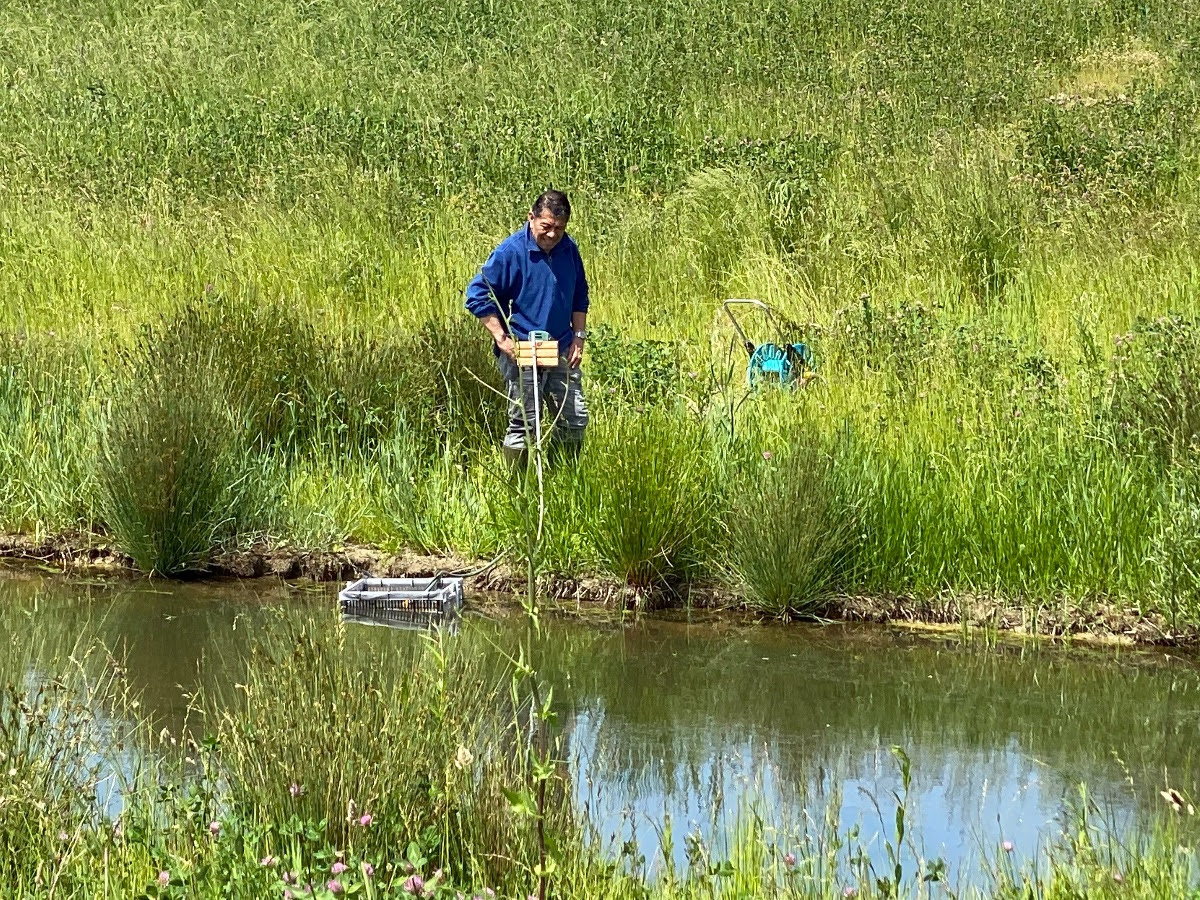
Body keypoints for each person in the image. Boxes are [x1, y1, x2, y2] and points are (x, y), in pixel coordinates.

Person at [465, 190, 589, 467]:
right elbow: (476, 295)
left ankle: (563, 476)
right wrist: (501, 338)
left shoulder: (569, 249)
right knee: (525, 426)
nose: (552, 234)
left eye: (559, 228)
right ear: (531, 218)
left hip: (562, 347)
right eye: (546, 226)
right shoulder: (510, 252)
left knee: (574, 420)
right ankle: (520, 486)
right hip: (521, 348)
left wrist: (579, 338)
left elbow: (580, 294)